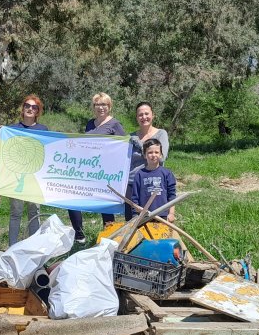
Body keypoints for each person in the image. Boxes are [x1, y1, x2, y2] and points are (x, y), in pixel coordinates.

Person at [68, 92, 126, 243]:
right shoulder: (90, 124)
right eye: (98, 104)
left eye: (104, 104)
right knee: (73, 199)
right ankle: (79, 236)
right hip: (89, 170)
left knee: (104, 205)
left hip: (106, 173)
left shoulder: (115, 125)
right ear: (93, 107)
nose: (101, 107)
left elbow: (125, 147)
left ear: (109, 106)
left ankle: (109, 236)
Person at [8, 94, 49, 245]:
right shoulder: (12, 129)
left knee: (34, 213)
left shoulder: (43, 130)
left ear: (38, 111)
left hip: (35, 179)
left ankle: (33, 246)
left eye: (34, 107)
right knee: (15, 213)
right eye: (27, 106)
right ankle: (12, 245)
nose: (30, 109)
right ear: (23, 108)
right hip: (17, 178)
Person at [126, 102, 169, 219]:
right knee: (132, 220)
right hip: (132, 182)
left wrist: (140, 144)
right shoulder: (130, 137)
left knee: (154, 220)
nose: (144, 117)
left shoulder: (161, 134)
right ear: (136, 117)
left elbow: (162, 157)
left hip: (152, 182)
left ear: (153, 115)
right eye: (140, 115)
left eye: (146, 114)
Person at [129, 138, 177, 222]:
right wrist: (135, 216)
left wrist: (171, 213)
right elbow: (134, 198)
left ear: (161, 154)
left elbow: (172, 196)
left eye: (156, 152)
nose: (153, 155)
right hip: (144, 216)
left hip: (163, 216)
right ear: (144, 155)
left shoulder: (167, 173)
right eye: (150, 152)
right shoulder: (139, 175)